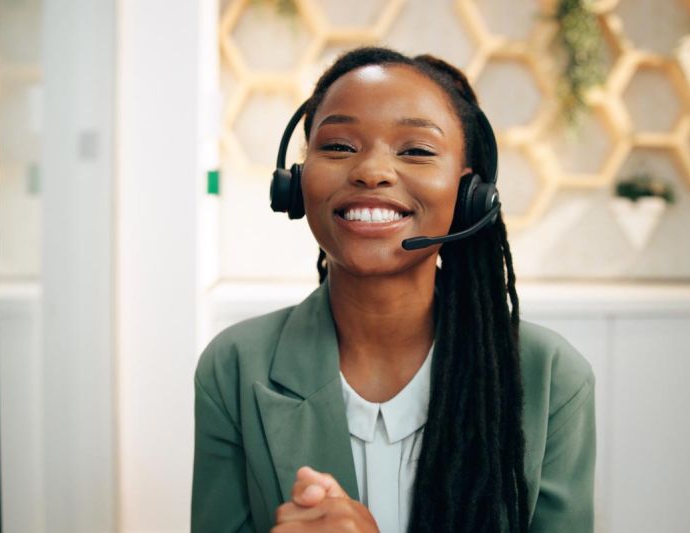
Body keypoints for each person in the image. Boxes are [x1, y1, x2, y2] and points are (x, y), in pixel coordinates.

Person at [191, 47, 595, 533]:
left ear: (468, 195)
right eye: (339, 146)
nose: (371, 171)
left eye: (417, 150)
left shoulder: (552, 377)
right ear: (295, 184)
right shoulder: (236, 365)